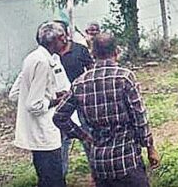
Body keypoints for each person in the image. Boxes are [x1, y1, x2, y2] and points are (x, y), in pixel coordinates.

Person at [54, 33, 160, 187]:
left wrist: (83, 136)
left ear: (93, 54)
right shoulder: (125, 77)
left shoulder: (79, 83)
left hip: (100, 163)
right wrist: (150, 148)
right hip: (127, 160)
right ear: (117, 51)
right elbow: (139, 117)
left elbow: (59, 116)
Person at [10, 21, 72, 187]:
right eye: (62, 38)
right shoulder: (42, 62)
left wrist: (52, 95)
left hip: (40, 134)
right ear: (53, 41)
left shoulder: (35, 57)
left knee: (46, 177)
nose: (65, 41)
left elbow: (18, 93)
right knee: (53, 179)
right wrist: (56, 100)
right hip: (44, 133)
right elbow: (34, 104)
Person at [52, 20, 96, 175]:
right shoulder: (52, 56)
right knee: (62, 140)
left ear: (64, 36)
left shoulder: (80, 50)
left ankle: (97, 172)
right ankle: (60, 176)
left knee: (88, 135)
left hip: (82, 101)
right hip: (61, 103)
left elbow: (91, 71)